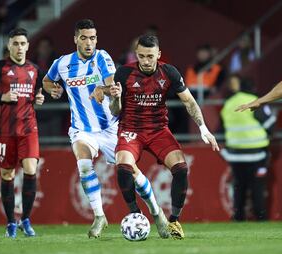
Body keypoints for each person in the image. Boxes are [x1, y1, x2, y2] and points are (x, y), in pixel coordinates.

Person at [109, 34, 220, 239]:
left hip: (159, 130)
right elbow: (115, 111)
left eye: (150, 56)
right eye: (141, 56)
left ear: (158, 54)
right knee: (123, 166)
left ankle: (174, 221)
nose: (146, 61)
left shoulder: (169, 72)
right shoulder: (124, 73)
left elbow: (189, 101)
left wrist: (203, 128)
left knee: (181, 169)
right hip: (131, 129)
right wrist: (115, 98)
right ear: (137, 55)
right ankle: (136, 214)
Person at [43, 19, 142, 238]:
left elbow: (112, 86)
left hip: (109, 128)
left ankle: (157, 214)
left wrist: (102, 89)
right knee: (84, 164)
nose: (90, 43)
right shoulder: (62, 63)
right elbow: (47, 81)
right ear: (76, 39)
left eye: (93, 38)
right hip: (82, 129)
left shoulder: (102, 57)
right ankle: (99, 216)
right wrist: (53, 89)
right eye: (85, 38)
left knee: (133, 171)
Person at [0, 28, 45, 238]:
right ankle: (10, 222)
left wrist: (40, 100)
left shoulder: (35, 69)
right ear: (9, 46)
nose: (19, 47)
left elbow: (38, 94)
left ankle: (25, 218)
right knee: (7, 174)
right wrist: (2, 98)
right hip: (6, 130)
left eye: (22, 43)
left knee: (31, 169)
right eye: (15, 43)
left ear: (27, 45)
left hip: (28, 128)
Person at [220, 75, 275, 221]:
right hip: (256, 153)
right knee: (257, 186)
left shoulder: (228, 103)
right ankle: (260, 217)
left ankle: (238, 217)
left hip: (235, 154)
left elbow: (221, 129)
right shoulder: (254, 101)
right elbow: (270, 124)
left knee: (239, 186)